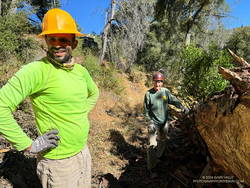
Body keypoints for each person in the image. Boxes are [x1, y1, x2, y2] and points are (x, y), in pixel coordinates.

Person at [0, 8, 99, 188]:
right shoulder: (36, 71)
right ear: (45, 41)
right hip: (58, 164)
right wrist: (28, 145)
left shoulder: (81, 71)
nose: (56, 44)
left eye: (63, 39)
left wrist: (80, 113)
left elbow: (94, 93)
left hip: (83, 152)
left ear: (74, 43)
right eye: (51, 38)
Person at [143, 71, 188, 175]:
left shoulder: (165, 92)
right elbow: (145, 111)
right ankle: (151, 167)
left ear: (162, 82)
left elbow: (174, 100)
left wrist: (182, 107)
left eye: (160, 82)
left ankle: (159, 156)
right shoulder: (148, 94)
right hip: (153, 123)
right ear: (153, 81)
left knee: (163, 140)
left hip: (164, 123)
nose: (158, 84)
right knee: (151, 145)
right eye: (156, 81)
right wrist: (149, 121)